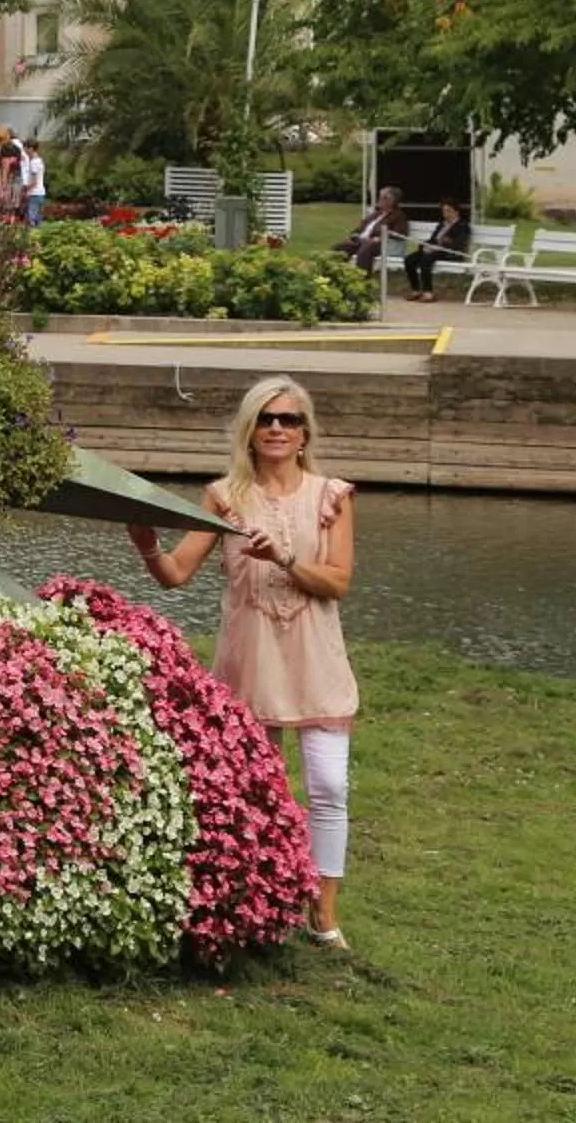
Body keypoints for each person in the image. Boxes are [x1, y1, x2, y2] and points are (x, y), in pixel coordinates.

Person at [128, 377, 360, 947]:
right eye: (265, 419)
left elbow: (337, 582)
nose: (276, 428)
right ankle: (264, 903)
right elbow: (176, 575)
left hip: (316, 661)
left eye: (288, 419)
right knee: (261, 789)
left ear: (305, 432)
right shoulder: (224, 497)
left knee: (328, 785)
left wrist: (283, 557)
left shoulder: (332, 495)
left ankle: (323, 913)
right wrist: (146, 545)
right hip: (249, 660)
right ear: (249, 431)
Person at [402, 197, 471, 302]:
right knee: (409, 259)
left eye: (448, 211)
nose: (445, 214)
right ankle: (415, 290)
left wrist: (439, 247)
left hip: (450, 253)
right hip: (433, 251)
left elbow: (458, 245)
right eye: (444, 211)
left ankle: (428, 293)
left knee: (426, 259)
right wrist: (425, 245)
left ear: (456, 212)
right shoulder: (441, 224)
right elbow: (432, 239)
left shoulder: (462, 225)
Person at [332, 186, 404, 270]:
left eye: (383, 197)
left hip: (382, 245)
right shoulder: (376, 214)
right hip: (361, 241)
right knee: (340, 247)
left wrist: (380, 238)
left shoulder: (398, 216)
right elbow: (361, 228)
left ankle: (363, 279)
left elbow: (400, 234)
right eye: (380, 196)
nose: (379, 199)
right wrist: (355, 234)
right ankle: (334, 274)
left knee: (365, 249)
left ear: (392, 201)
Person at [20, 137, 48, 226]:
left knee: (31, 220)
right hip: (40, 193)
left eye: (26, 149)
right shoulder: (39, 161)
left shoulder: (34, 162)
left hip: (34, 194)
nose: (25, 151)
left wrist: (25, 189)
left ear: (31, 148)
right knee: (38, 220)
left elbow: (34, 181)